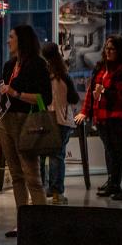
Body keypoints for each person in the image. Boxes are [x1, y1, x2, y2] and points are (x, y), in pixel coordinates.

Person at [0, 24, 52, 236]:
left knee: (32, 176)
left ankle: (41, 222)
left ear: (22, 40)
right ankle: (23, 221)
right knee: (16, 175)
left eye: (11, 37)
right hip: (6, 121)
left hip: (27, 122)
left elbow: (44, 99)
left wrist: (16, 93)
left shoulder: (38, 64)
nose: (8, 40)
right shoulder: (9, 65)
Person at [75, 34, 122, 200]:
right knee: (112, 153)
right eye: (106, 48)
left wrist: (104, 92)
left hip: (120, 118)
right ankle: (113, 184)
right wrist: (86, 111)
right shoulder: (101, 67)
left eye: (112, 48)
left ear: (120, 50)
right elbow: (93, 92)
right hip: (102, 117)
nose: (108, 51)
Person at [40, 41, 79, 204]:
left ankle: (41, 190)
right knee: (57, 156)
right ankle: (57, 193)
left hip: (44, 119)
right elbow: (74, 98)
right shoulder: (64, 75)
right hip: (62, 119)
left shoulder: (42, 75)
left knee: (41, 156)